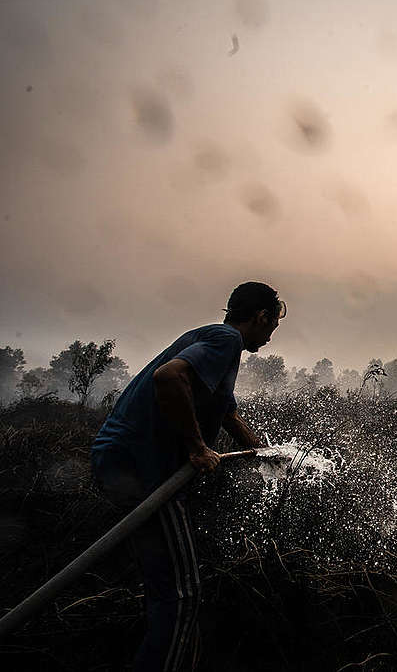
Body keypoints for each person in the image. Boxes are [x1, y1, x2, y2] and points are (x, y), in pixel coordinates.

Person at [90, 281, 285, 671]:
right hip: (142, 469)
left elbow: (227, 414)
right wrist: (198, 448)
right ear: (261, 317)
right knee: (182, 595)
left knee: (165, 587)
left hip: (123, 463)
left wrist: (269, 455)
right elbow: (167, 377)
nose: (269, 338)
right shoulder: (226, 339)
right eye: (271, 327)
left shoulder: (215, 345)